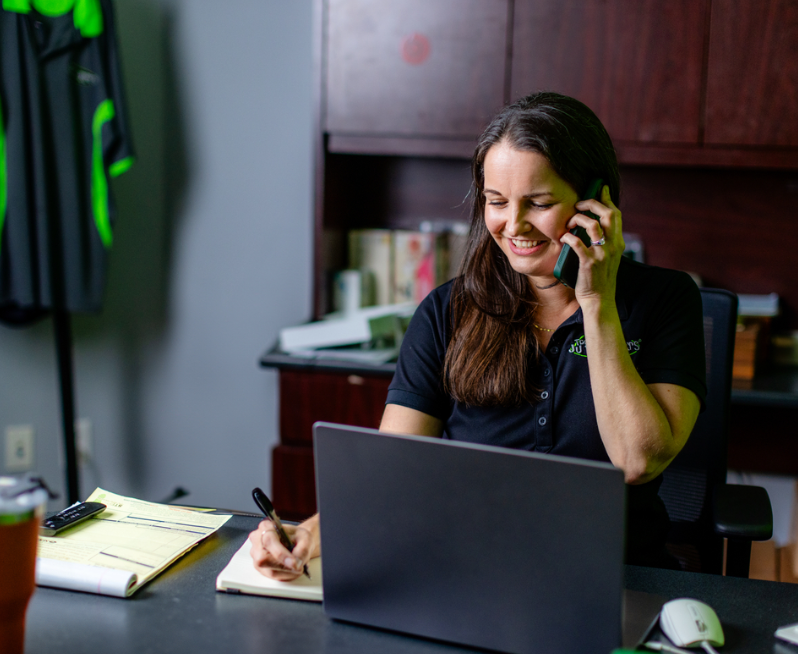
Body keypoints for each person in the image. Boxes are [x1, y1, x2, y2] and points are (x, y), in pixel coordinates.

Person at [250, 91, 707, 579]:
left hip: (614, 574)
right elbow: (395, 470)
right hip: (468, 570)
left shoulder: (666, 300)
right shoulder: (446, 311)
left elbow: (637, 460)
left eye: (540, 203)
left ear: (596, 201)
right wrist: (310, 532)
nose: (513, 225)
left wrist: (597, 303)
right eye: (496, 202)